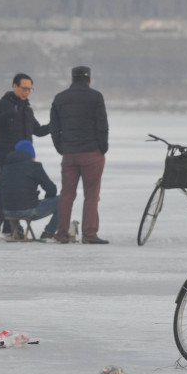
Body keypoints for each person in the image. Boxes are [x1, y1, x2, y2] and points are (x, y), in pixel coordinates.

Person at [50, 65, 109, 244]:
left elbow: (54, 128)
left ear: (72, 79)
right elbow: (102, 125)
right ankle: (89, 234)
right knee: (91, 195)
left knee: (67, 194)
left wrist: (61, 148)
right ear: (89, 79)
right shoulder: (96, 97)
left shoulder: (59, 98)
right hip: (92, 153)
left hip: (69, 154)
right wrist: (102, 148)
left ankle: (61, 234)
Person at [0, 73, 51, 235]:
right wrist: (10, 113)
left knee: (16, 192)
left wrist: (55, 125)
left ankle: (10, 228)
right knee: (3, 191)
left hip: (25, 160)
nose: (27, 92)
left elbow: (38, 131)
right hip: (7, 158)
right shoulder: (4, 104)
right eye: (24, 88)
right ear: (14, 86)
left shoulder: (27, 109)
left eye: (30, 89)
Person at [0, 140, 59, 239]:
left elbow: (1, 187)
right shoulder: (34, 166)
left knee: (15, 198)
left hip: (7, 211)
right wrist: (48, 198)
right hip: (28, 210)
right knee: (63, 200)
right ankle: (49, 233)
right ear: (31, 154)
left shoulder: (6, 167)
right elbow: (51, 189)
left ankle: (17, 231)